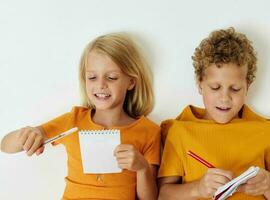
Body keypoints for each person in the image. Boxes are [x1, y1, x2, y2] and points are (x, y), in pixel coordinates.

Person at [0, 33, 161, 200]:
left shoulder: (149, 131)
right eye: (92, 77)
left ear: (131, 82)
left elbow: (149, 198)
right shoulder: (73, 120)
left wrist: (142, 168)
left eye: (112, 77)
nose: (100, 85)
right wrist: (30, 134)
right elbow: (4, 145)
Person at [158, 27, 270, 200]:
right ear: (200, 84)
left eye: (235, 89)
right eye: (215, 87)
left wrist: (269, 183)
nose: (224, 98)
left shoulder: (266, 131)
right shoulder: (179, 131)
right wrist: (197, 189)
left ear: (247, 87)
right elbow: (163, 195)